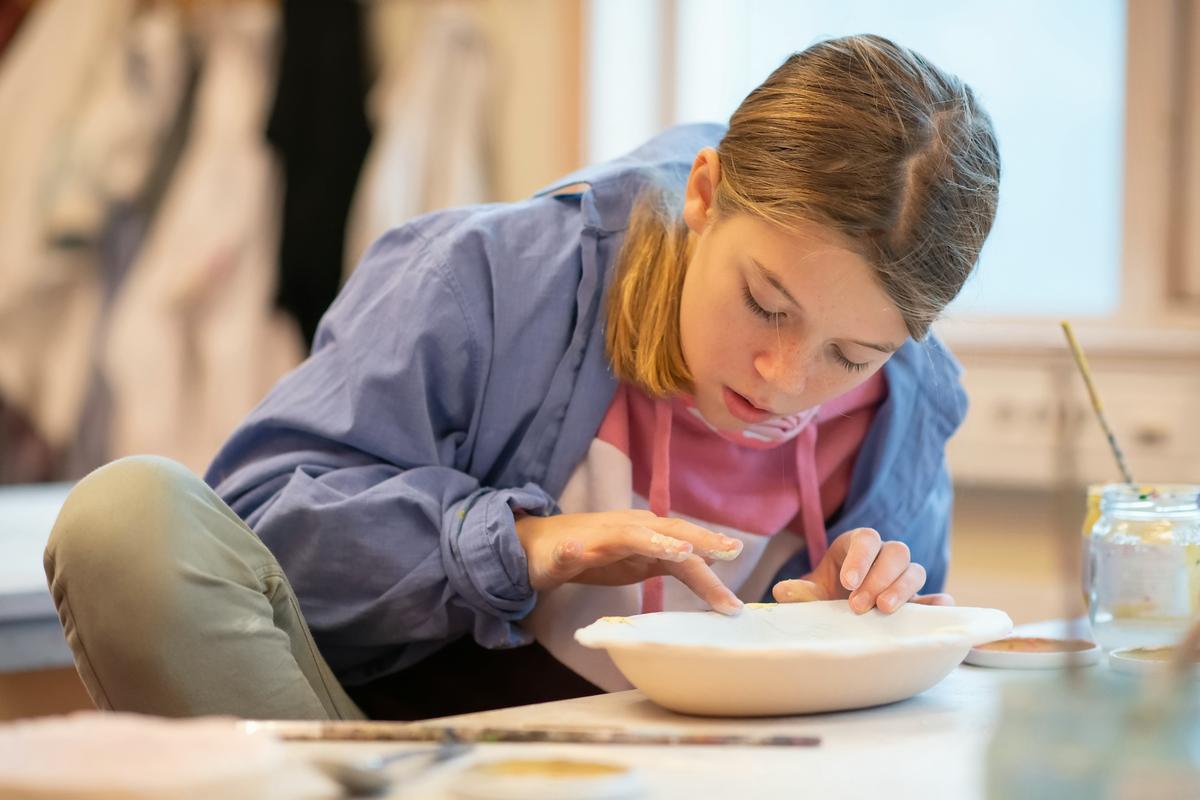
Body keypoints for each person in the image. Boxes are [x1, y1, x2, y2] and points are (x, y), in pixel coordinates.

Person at [44, 34, 1000, 721]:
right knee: (123, 522)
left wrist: (850, 637)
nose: (785, 379)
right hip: (396, 759)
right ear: (705, 195)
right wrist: (523, 547)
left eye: (851, 356)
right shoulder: (485, 280)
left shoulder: (907, 408)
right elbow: (255, 537)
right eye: (764, 301)